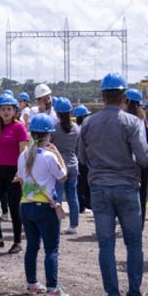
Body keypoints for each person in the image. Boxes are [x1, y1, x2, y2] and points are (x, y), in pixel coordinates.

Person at [78, 73, 148, 296]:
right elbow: (142, 159)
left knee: (106, 246)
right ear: (124, 96)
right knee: (134, 244)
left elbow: (82, 157)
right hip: (127, 188)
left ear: (102, 96)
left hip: (99, 188)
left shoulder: (88, 123)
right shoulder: (133, 123)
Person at [17, 114, 69, 296]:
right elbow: (63, 176)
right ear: (48, 135)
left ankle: (32, 285)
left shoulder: (23, 156)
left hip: (26, 205)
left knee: (32, 246)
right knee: (51, 249)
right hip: (45, 207)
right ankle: (52, 288)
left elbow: (21, 180)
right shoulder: (49, 156)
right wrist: (58, 155)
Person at [0, 93, 30, 252]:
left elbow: (23, 152)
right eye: (2, 109)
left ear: (15, 111)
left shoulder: (19, 127)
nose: (5, 112)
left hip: (14, 171)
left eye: (9, 109)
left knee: (14, 207)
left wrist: (21, 173)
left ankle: (17, 242)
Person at [125, 88, 148, 225]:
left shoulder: (125, 121)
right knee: (142, 194)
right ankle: (139, 222)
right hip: (144, 163)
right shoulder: (144, 123)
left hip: (128, 164)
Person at [51, 97, 80, 234]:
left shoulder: (54, 128)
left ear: (56, 112)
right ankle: (74, 225)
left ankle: (56, 224)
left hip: (59, 165)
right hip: (73, 163)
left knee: (57, 196)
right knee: (72, 196)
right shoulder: (76, 128)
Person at [73, 104, 91, 213]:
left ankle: (84, 205)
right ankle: (84, 205)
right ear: (83, 117)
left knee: (81, 185)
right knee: (84, 185)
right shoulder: (83, 129)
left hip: (79, 159)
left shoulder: (77, 128)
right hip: (83, 159)